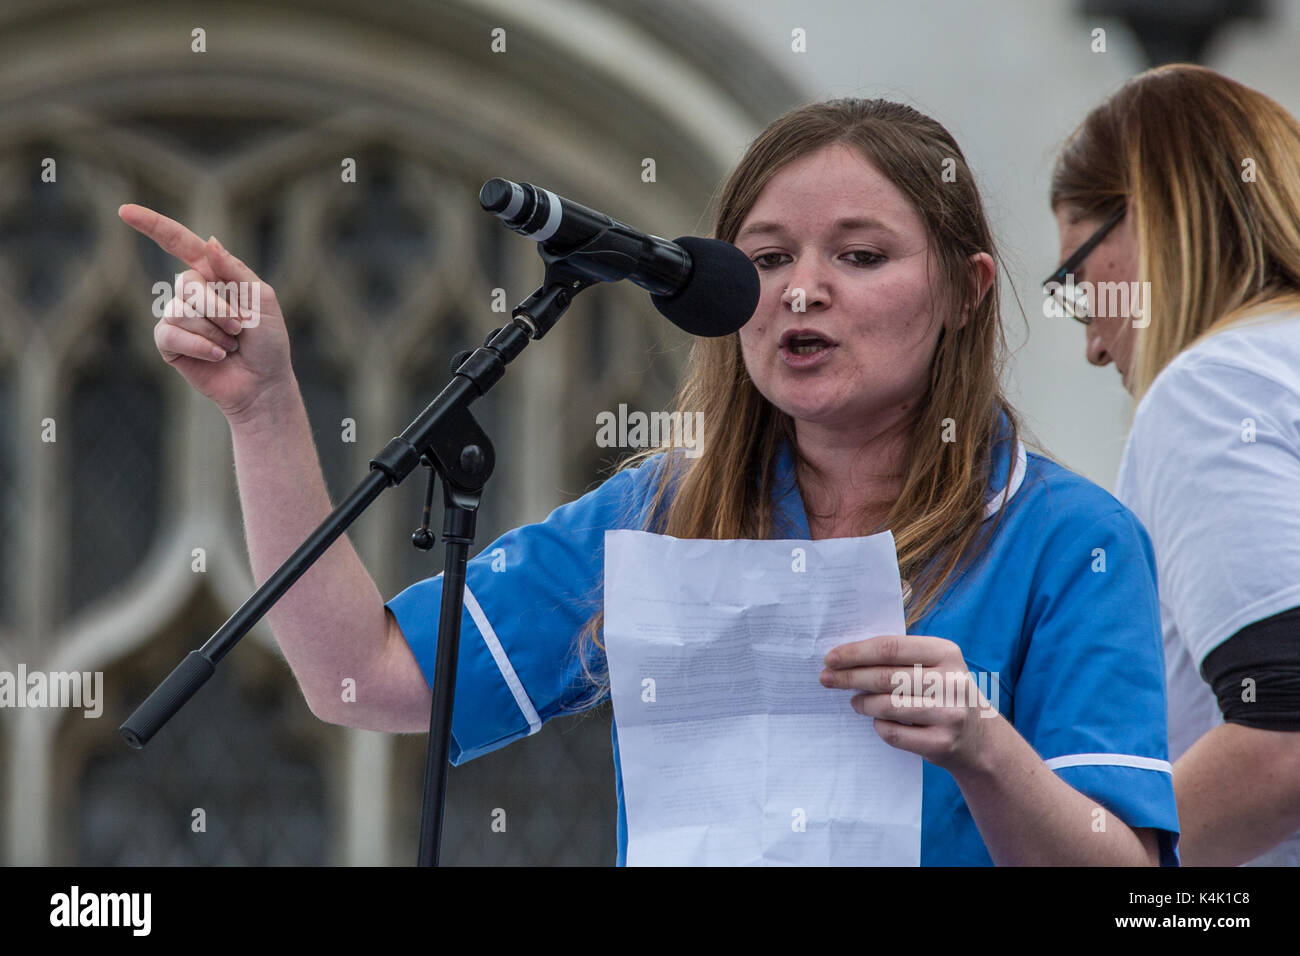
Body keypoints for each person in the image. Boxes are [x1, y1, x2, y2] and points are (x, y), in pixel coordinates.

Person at [123, 97, 1178, 866]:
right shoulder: (660, 511)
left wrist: (982, 747)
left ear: (963, 288)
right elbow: (361, 676)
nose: (801, 289)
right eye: (763, 259)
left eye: (858, 256)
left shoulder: (1068, 537)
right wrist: (262, 407)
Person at [1049, 63, 1300, 866]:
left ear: (1147, 217)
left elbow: (1286, 732)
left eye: (1075, 282)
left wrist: (1123, 866)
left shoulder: (1213, 388)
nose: (1092, 343)